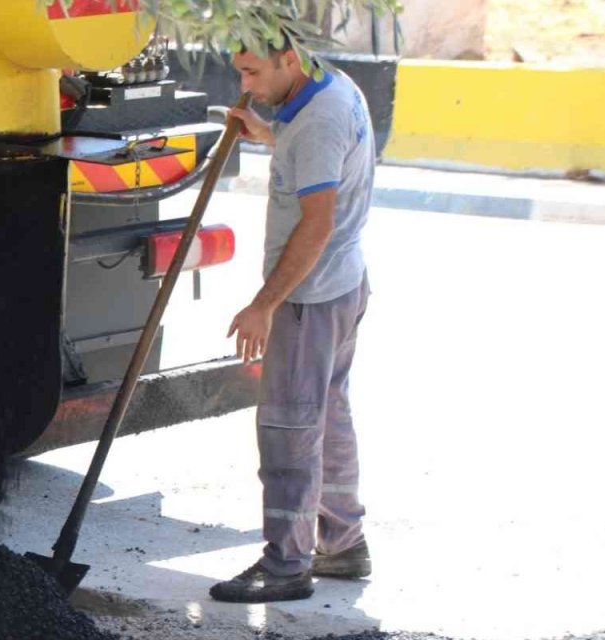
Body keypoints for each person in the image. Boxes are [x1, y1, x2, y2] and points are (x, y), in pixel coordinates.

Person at [209, 37, 375, 604]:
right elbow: (315, 154)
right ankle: (342, 543)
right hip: (342, 284)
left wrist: (265, 304)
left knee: (289, 430)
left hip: (310, 297)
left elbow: (317, 223)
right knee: (328, 416)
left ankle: (286, 565)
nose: (245, 85)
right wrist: (267, 134)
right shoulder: (331, 86)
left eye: (253, 73)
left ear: (290, 60)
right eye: (240, 72)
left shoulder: (318, 124)